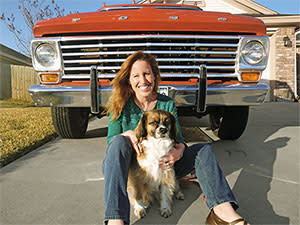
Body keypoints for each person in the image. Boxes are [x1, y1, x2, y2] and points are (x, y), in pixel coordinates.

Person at [102, 50, 248, 225]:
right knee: (118, 142)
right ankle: (116, 219)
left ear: (155, 76)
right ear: (129, 80)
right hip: (133, 169)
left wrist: (178, 151)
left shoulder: (167, 103)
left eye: (147, 74)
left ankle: (222, 211)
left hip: (165, 166)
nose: (143, 80)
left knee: (203, 149)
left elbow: (178, 139)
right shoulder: (119, 104)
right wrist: (127, 134)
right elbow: (111, 141)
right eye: (136, 76)